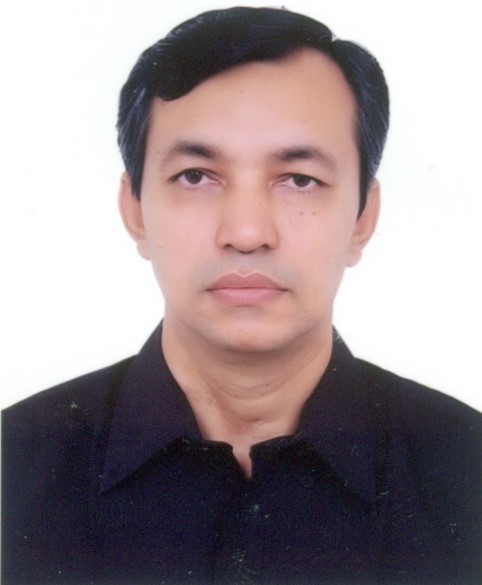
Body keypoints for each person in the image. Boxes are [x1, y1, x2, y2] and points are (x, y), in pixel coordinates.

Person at [2, 6, 481, 585]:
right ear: (135, 211)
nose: (248, 233)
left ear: (363, 217)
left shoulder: (468, 472)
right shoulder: (14, 468)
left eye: (299, 179)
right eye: (196, 176)